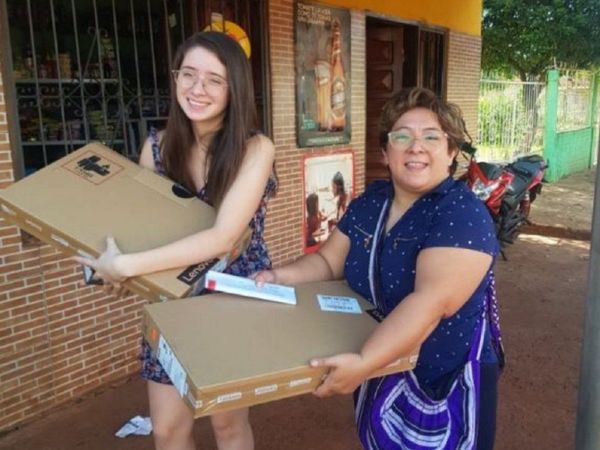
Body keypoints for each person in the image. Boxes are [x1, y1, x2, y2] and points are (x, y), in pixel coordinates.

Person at [253, 87, 503, 449]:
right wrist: (277, 277)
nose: (416, 146)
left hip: (441, 376)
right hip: (381, 363)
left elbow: (430, 303)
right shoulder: (371, 202)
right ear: (385, 152)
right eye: (402, 136)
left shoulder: (461, 214)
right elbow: (326, 262)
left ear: (451, 153)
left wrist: (363, 361)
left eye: (431, 137)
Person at [76, 32, 276, 450]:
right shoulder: (156, 148)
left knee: (227, 426)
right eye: (188, 74)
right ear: (175, 78)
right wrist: (113, 268)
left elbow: (223, 238)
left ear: (234, 88)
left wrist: (128, 265)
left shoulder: (255, 149)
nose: (197, 89)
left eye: (213, 80)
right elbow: (148, 232)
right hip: (172, 303)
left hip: (233, 301)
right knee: (168, 429)